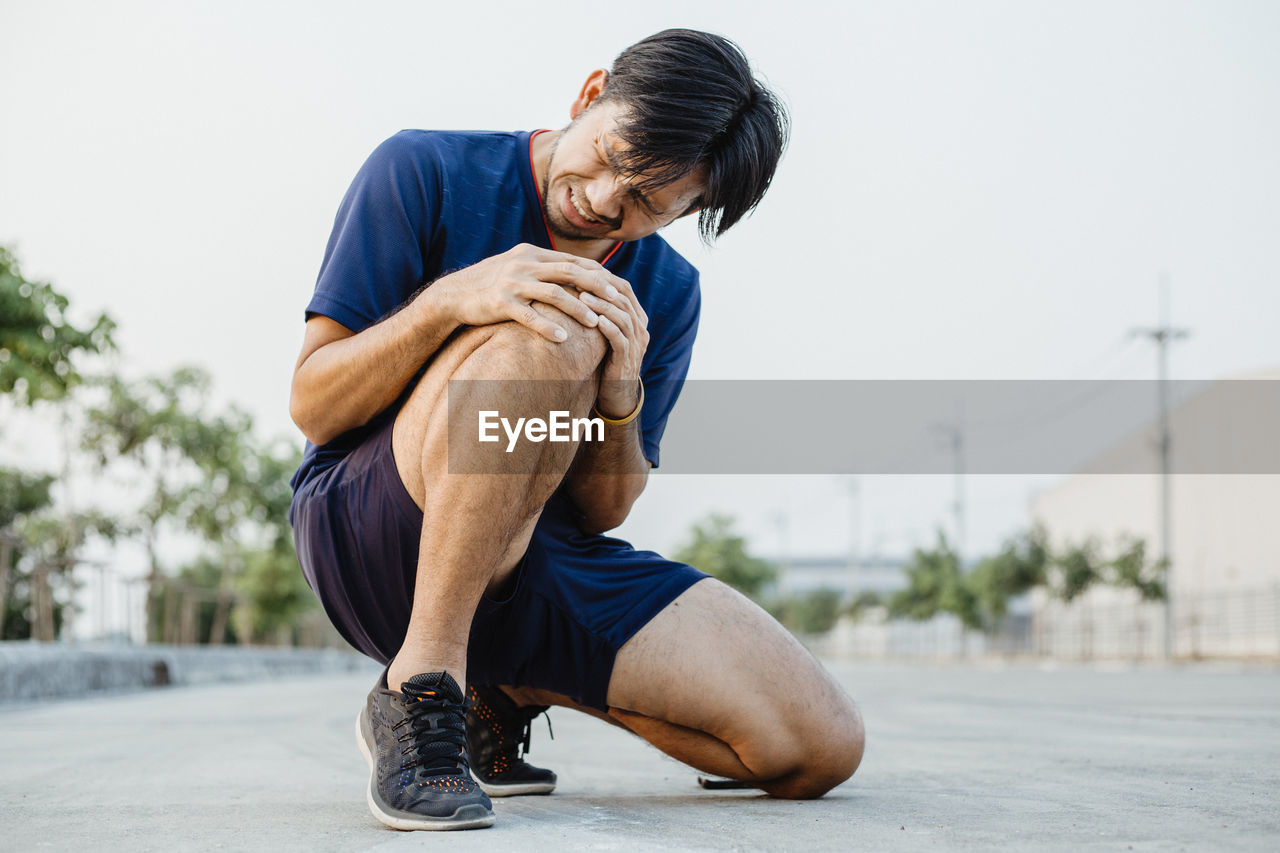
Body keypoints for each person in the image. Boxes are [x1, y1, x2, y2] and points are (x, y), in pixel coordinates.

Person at [288, 28, 864, 831]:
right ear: (591, 92)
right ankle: (420, 687)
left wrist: (620, 394)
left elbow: (601, 511)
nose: (603, 199)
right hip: (374, 528)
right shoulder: (423, 168)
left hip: (538, 563)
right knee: (553, 323)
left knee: (820, 746)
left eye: (649, 201)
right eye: (611, 156)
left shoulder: (668, 291)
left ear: (690, 209)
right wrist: (455, 301)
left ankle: (505, 687)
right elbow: (314, 403)